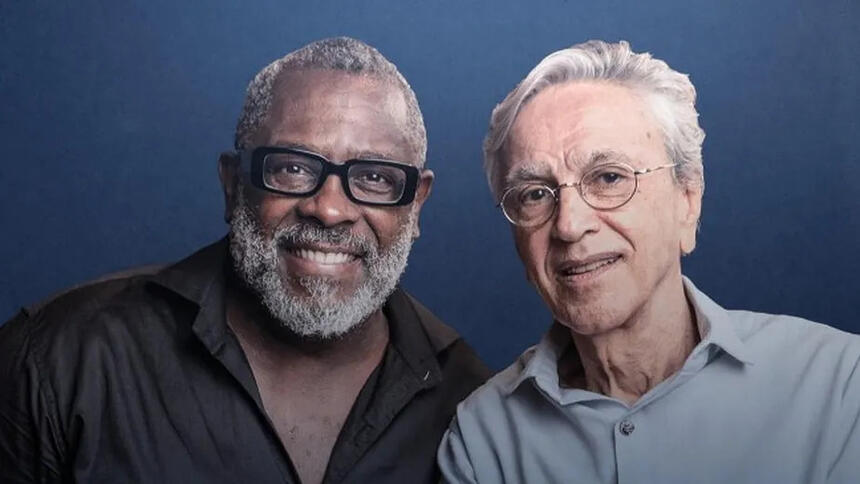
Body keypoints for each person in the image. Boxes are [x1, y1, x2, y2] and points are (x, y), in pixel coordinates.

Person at [0, 37, 489, 483]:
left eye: (376, 178)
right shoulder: (57, 361)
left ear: (416, 204)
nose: (331, 209)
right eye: (293, 168)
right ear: (233, 184)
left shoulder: (474, 409)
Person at [438, 40, 860, 483]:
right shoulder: (483, 442)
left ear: (687, 202)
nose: (569, 226)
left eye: (608, 177)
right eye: (536, 194)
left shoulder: (838, 387)